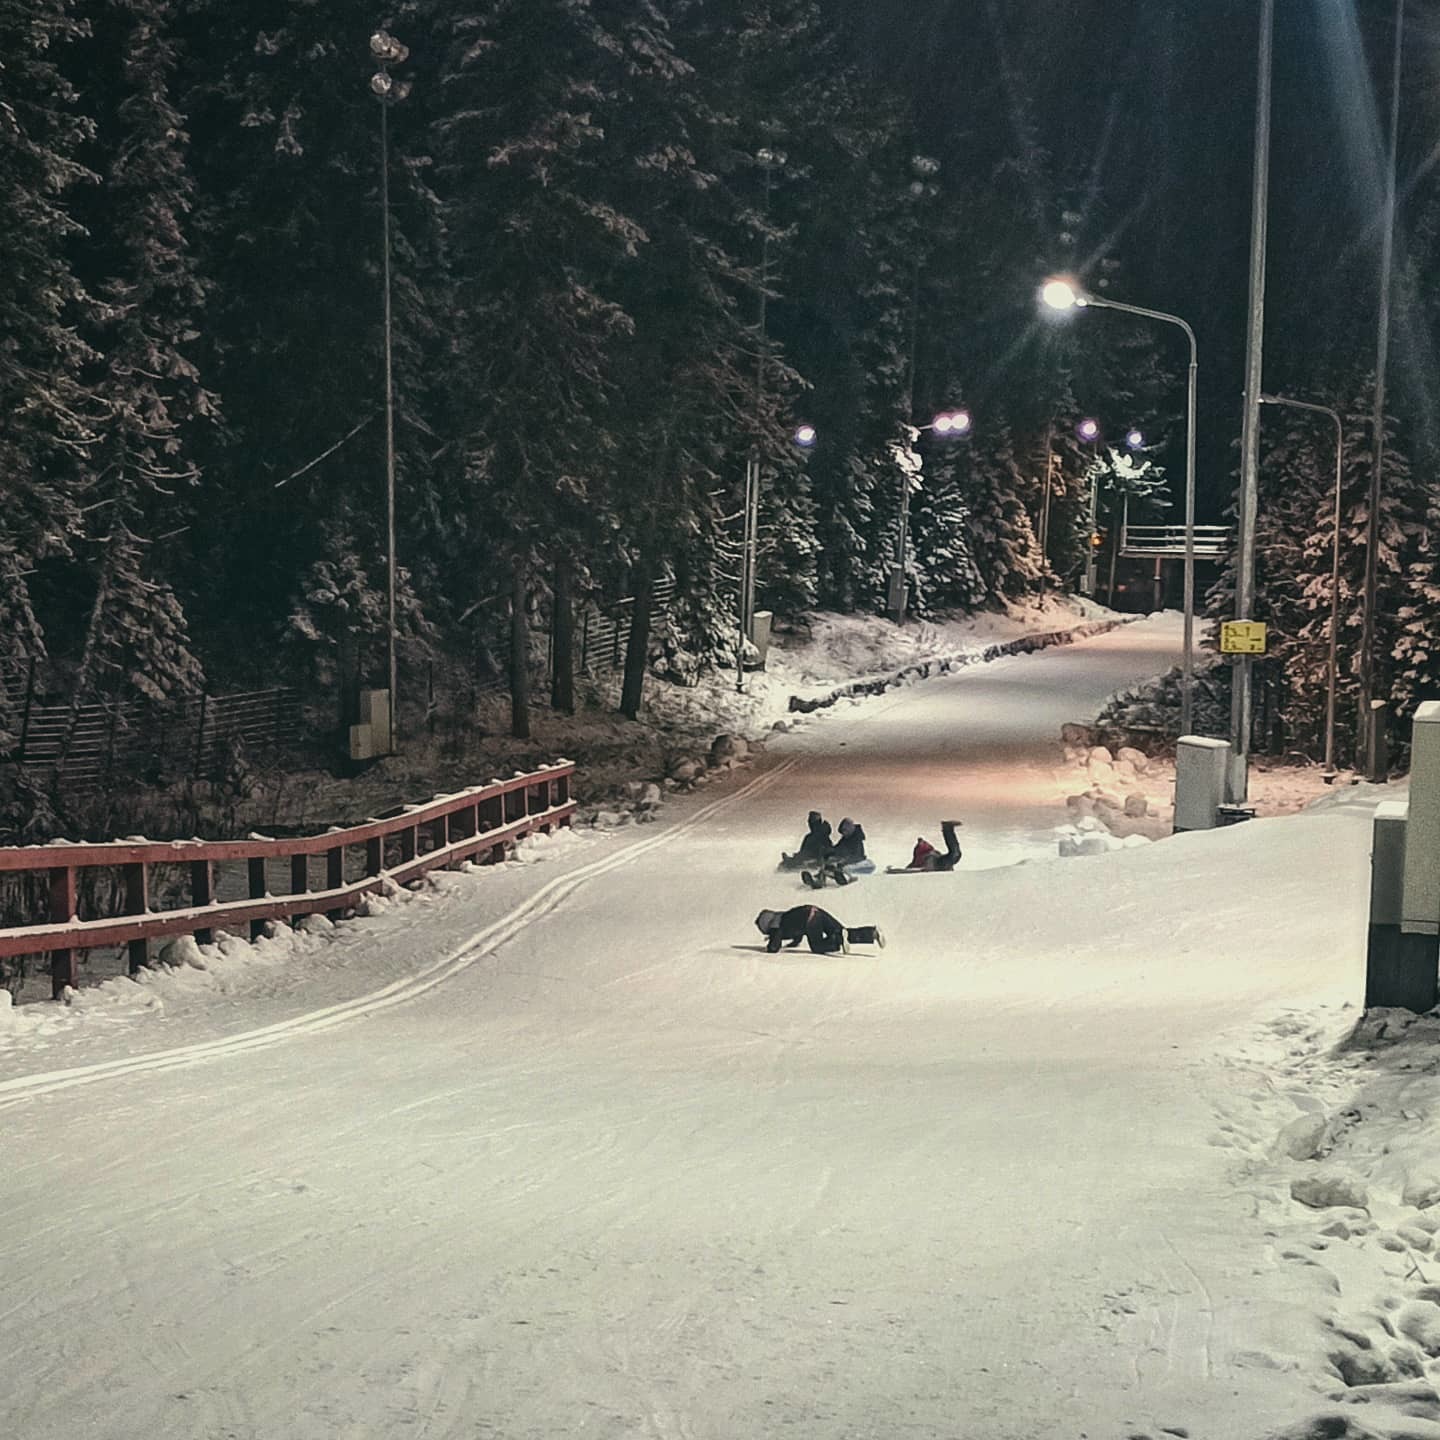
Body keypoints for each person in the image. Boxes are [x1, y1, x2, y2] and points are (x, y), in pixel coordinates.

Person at [754, 905, 885, 955]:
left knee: (817, 946)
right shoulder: (783, 917)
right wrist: (793, 943)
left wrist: (769, 947)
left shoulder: (776, 925)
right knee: (842, 931)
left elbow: (774, 946)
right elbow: (797, 935)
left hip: (809, 919)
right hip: (815, 911)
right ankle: (872, 933)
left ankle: (837, 940)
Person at [803, 816, 873, 887]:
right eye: (843, 832)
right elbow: (838, 848)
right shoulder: (845, 839)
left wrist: (844, 860)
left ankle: (845, 877)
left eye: (845, 831)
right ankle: (820, 879)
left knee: (839, 865)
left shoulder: (856, 840)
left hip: (856, 861)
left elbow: (857, 855)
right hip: (844, 861)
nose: (844, 833)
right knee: (828, 862)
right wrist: (829, 851)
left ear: (850, 829)